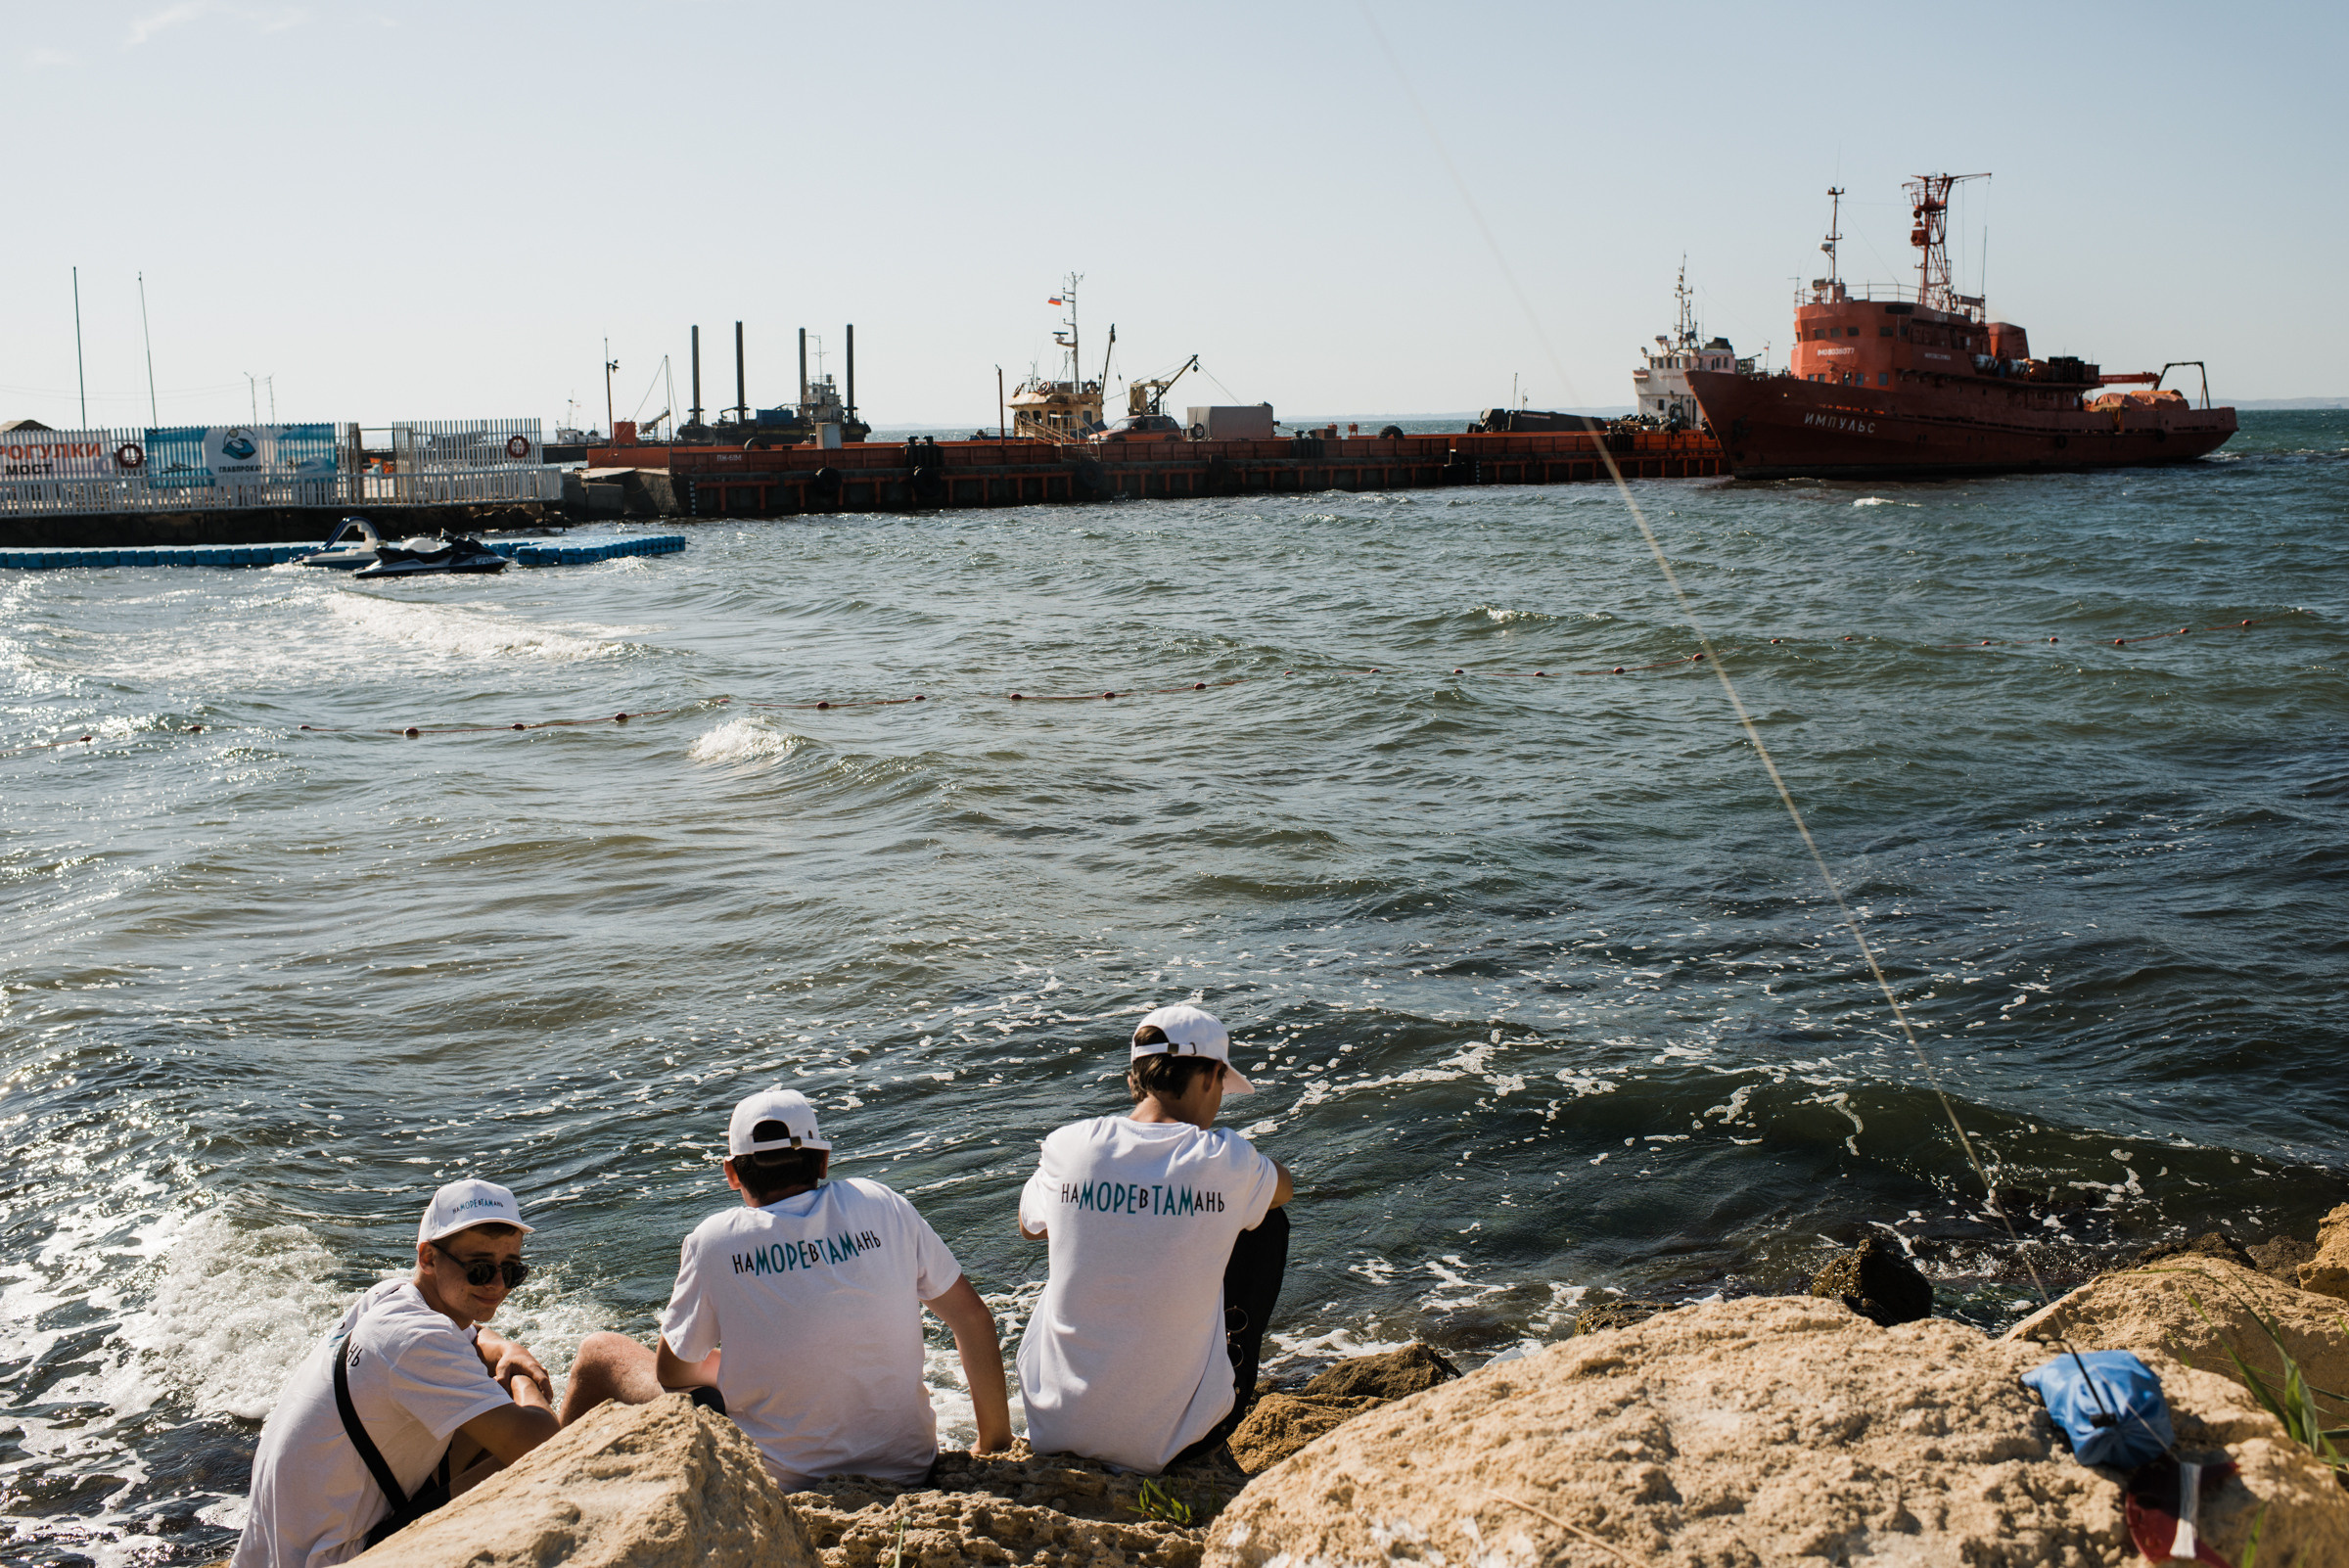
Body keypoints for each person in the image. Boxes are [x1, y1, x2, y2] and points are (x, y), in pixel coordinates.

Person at [562, 1087, 1012, 1488]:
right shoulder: (881, 1204)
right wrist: (992, 1443)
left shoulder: (714, 1241)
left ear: (732, 1174)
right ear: (822, 1160)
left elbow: (673, 1374)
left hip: (784, 1484)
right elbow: (972, 1319)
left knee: (601, 1353)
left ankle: (543, 1479)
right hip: (910, 1468)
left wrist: (746, 1369)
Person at [1016, 1003, 1295, 1473]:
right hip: (1174, 1444)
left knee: (1073, 1223)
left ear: (1137, 1076)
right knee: (1266, 1221)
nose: (1220, 1099)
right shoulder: (1226, 1159)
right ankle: (1207, 1373)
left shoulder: (1069, 1145)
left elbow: (1029, 1226)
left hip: (1054, 1427)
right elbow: (1284, 1186)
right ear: (1208, 1077)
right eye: (1222, 1085)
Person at [233, 1180, 559, 1568]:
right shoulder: (415, 1338)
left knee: (484, 1401)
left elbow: (474, 1337)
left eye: (512, 1270)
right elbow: (544, 1447)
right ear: (428, 1258)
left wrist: (507, 1350)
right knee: (529, 1399)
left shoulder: (389, 1298)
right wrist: (521, 1377)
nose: (498, 1285)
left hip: (271, 1553)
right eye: (480, 1269)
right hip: (333, 1556)